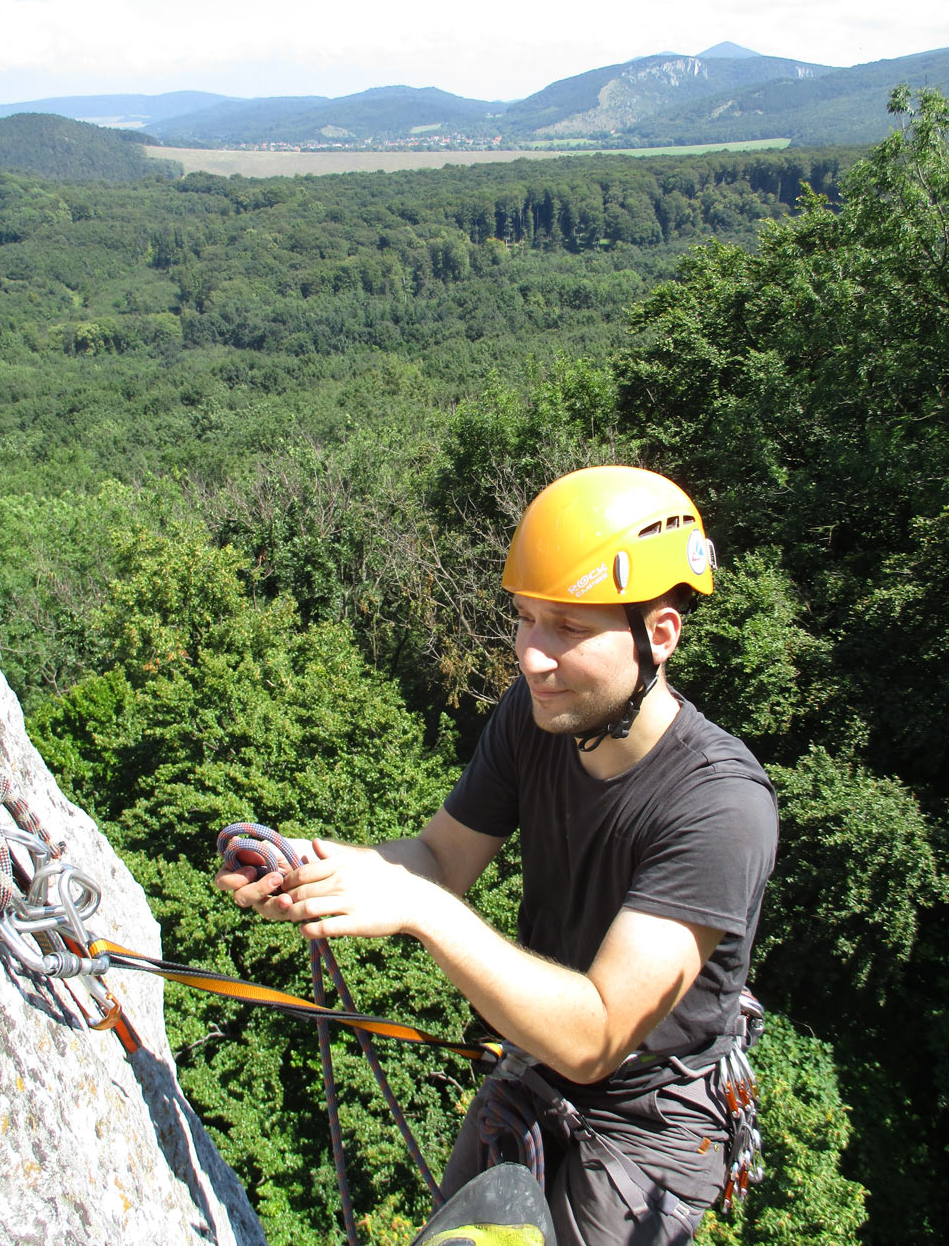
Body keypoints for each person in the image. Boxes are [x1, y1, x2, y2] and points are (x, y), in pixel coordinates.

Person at [215, 465, 778, 1245]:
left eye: (570, 630)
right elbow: (441, 856)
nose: (532, 656)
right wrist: (316, 866)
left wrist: (421, 911)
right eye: (525, 618)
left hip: (649, 1127)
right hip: (534, 1064)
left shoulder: (722, 807)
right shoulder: (535, 716)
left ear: (659, 634)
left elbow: (598, 1033)